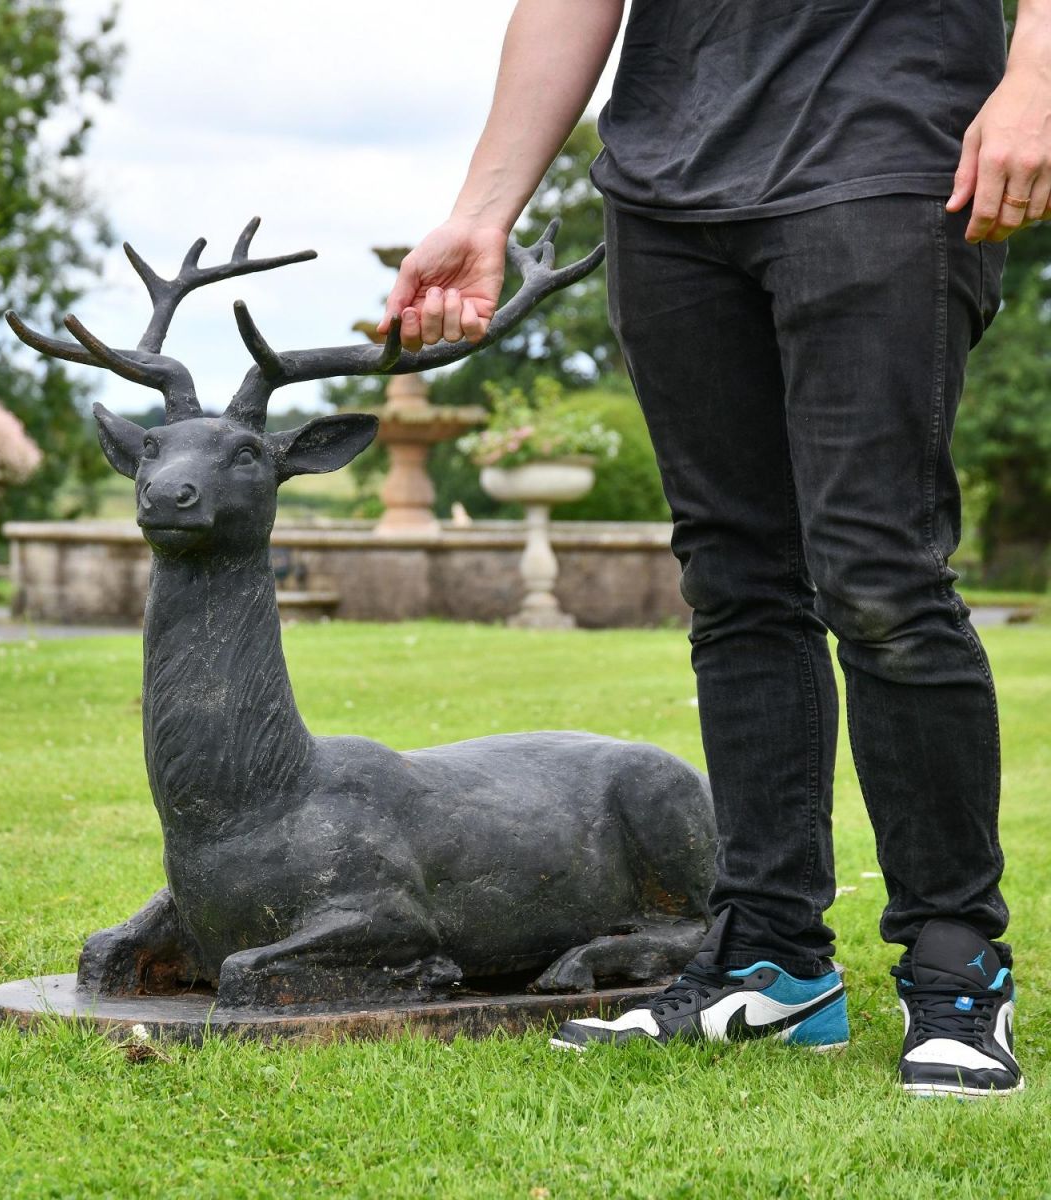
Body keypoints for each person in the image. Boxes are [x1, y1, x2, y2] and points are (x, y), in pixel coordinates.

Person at [379, 0, 1050, 1097]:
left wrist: (1036, 77)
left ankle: (956, 961)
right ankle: (771, 959)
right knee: (735, 581)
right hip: (666, 189)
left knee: (878, 572)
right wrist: (483, 210)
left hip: (888, 153)